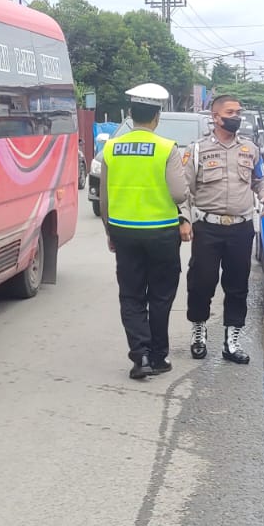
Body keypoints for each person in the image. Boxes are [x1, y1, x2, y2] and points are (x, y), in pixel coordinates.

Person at [100, 83, 191, 381]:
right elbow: (179, 195)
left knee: (131, 294)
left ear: (129, 114)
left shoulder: (111, 148)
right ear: (157, 117)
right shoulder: (166, 148)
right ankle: (158, 356)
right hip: (162, 233)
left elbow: (104, 199)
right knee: (161, 296)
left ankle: (140, 357)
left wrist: (109, 231)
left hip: (124, 232)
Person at [186, 93, 264, 364]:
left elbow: (260, 179)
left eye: (239, 112)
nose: (237, 117)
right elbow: (184, 191)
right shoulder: (197, 150)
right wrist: (185, 220)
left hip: (241, 227)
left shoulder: (250, 149)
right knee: (201, 283)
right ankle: (199, 331)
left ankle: (232, 341)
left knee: (237, 286)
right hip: (207, 228)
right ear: (216, 117)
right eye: (231, 112)